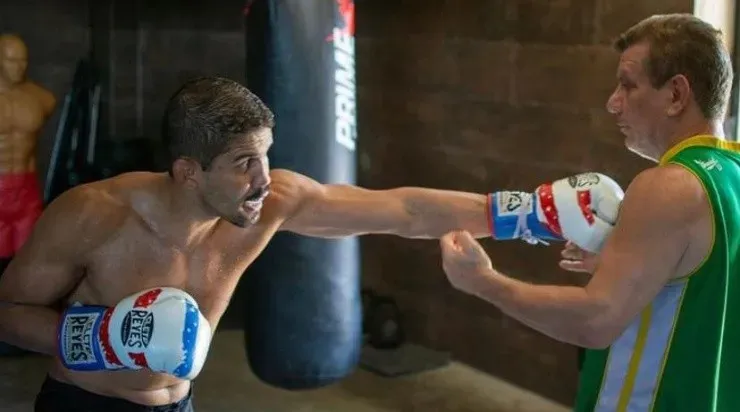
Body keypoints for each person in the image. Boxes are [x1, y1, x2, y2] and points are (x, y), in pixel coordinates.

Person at [0, 75, 621, 411]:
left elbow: (401, 209)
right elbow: (8, 312)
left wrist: (522, 214)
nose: (263, 180)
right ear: (190, 171)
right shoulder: (94, 215)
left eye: (265, 157)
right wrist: (98, 337)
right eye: (244, 163)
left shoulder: (267, 202)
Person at [439, 13, 737, 412]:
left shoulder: (669, 184)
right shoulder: (730, 178)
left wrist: (483, 281)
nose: (613, 103)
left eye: (628, 86)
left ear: (676, 95)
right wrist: (628, 265)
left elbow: (595, 321)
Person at [0, 33, 56, 271]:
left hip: (26, 188)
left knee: (27, 260)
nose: (19, 67)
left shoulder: (40, 98)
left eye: (23, 60)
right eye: (11, 60)